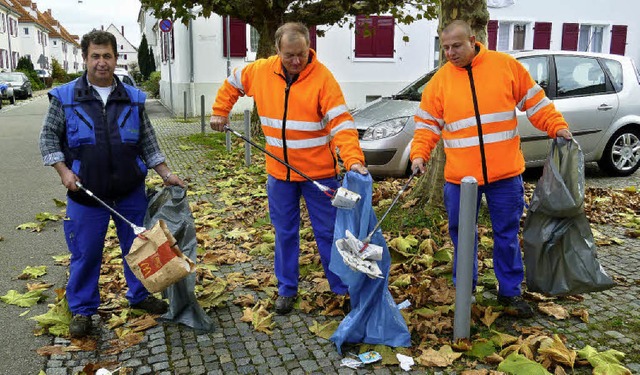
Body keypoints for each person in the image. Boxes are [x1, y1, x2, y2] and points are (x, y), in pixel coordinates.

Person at [410, 20, 572, 318]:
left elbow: (536, 103)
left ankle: (509, 293)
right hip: (460, 179)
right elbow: (426, 125)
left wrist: (556, 127)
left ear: (473, 40)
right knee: (462, 236)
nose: (450, 53)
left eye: (456, 46)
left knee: (507, 234)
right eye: (444, 47)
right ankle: (464, 291)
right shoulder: (439, 83)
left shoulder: (505, 67)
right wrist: (419, 154)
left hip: (505, 175)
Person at [210, 22, 368, 315]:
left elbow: (342, 124)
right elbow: (232, 82)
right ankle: (287, 289)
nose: (296, 61)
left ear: (309, 48)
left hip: (318, 174)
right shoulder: (260, 71)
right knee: (284, 232)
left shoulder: (323, 79)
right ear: (277, 51)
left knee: (329, 232)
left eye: (302, 54)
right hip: (279, 174)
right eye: (289, 56)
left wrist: (353, 159)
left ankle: (344, 290)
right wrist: (221, 111)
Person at [39, 30, 185, 337]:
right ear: (85, 58)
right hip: (86, 195)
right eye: (95, 56)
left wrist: (165, 173)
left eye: (107, 56)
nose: (101, 63)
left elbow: (147, 141)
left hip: (130, 191)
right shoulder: (65, 98)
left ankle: (140, 296)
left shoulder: (132, 98)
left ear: (116, 58)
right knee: (86, 253)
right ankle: (82, 309)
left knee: (140, 247)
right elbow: (48, 138)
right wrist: (64, 172)